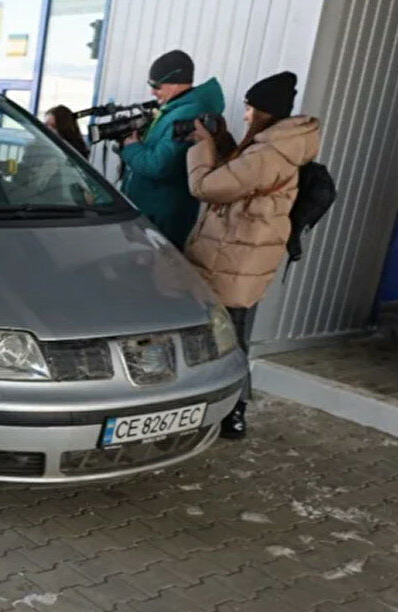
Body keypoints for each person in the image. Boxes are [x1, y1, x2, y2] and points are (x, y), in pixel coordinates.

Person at [185, 71, 321, 439]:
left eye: (249, 109)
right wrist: (223, 140)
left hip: (238, 262)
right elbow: (239, 177)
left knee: (232, 339)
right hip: (238, 257)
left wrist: (200, 144)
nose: (245, 114)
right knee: (227, 334)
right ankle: (224, 409)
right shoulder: (271, 147)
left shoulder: (269, 152)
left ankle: (234, 413)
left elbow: (206, 186)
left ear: (263, 112)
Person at [120, 50, 225, 248]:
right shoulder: (174, 110)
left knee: (157, 275)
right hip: (153, 210)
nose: (152, 92)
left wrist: (131, 149)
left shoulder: (188, 114)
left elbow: (160, 165)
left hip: (162, 215)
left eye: (156, 85)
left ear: (175, 82)